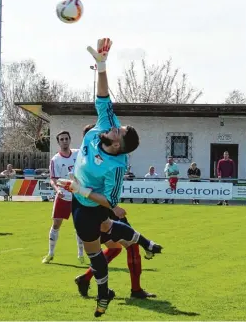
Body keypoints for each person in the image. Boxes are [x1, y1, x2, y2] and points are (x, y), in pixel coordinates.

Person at [57, 38, 162, 317]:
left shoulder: (115, 166)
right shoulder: (104, 127)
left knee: (110, 237)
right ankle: (142, 244)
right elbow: (103, 99)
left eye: (119, 130)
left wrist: (82, 189)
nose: (115, 126)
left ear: (118, 145)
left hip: (93, 203)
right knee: (112, 239)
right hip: (82, 200)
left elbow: (111, 200)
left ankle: (111, 287)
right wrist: (102, 66)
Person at [74, 124, 156, 300]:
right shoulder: (96, 156)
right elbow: (99, 194)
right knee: (130, 245)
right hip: (99, 210)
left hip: (98, 208)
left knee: (115, 248)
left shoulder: (97, 154)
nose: (108, 129)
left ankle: (85, 278)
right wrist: (112, 207)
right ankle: (135, 290)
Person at [42, 131, 85, 264]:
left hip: (78, 195)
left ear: (70, 140)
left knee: (80, 226)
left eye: (66, 138)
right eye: (62, 139)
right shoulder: (55, 160)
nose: (64, 141)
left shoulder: (78, 153)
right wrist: (57, 190)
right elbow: (53, 179)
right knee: (56, 224)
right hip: (63, 195)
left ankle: (81, 254)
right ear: (58, 142)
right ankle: (50, 253)